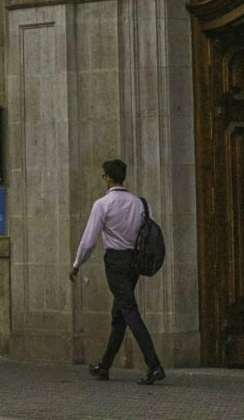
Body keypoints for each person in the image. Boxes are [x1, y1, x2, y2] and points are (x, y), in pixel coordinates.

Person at [70, 157, 165, 385]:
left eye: (104, 176)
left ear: (109, 178)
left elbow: (89, 240)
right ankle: (104, 365)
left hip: (115, 263)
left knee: (129, 311)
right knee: (119, 314)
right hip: (135, 263)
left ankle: (154, 365)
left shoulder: (103, 204)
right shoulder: (141, 204)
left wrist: (76, 264)